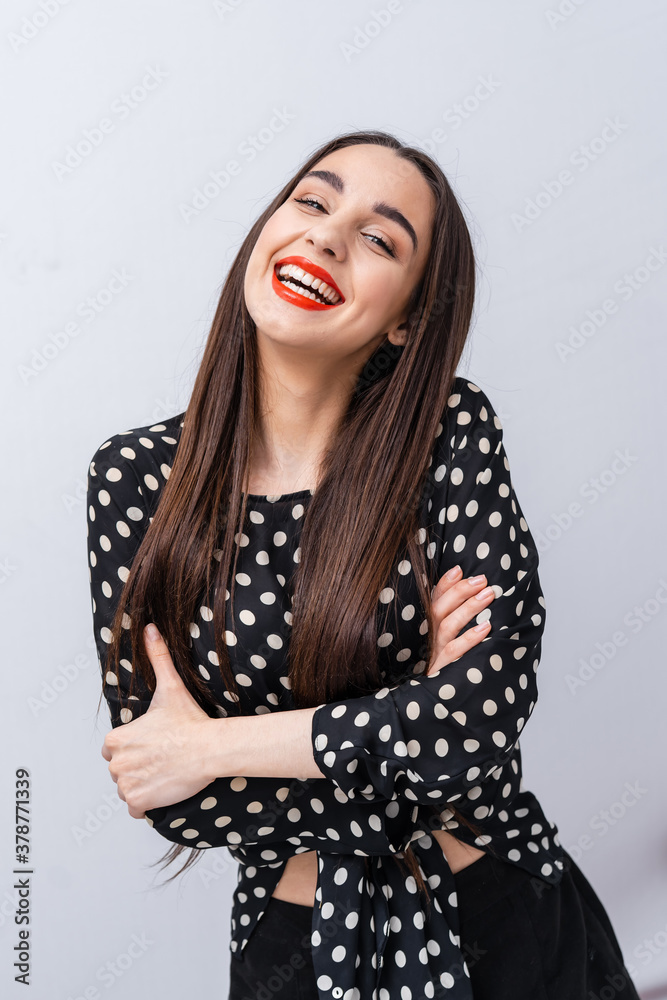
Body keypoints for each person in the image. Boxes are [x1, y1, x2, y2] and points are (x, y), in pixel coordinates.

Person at [86, 130, 641, 999]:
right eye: (312, 201)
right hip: (297, 954)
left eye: (380, 237)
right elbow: (169, 792)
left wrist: (217, 745)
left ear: (405, 318)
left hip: (502, 921)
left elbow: (478, 720)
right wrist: (412, 707)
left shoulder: (448, 433)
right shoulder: (135, 479)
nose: (326, 235)